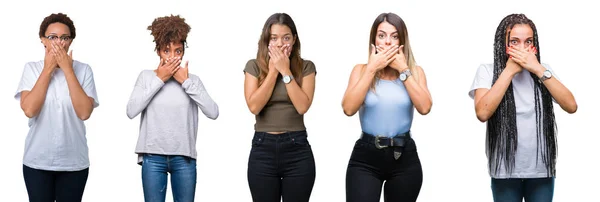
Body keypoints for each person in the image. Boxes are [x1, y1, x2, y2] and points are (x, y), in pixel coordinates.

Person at [469, 13, 577, 202]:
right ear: (502, 44)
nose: (523, 48)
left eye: (528, 41)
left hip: (541, 169)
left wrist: (538, 69)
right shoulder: (487, 70)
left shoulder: (544, 70)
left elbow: (571, 105)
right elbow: (483, 112)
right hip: (505, 170)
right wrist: (509, 71)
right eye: (515, 42)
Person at [126, 14, 219, 202]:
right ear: (158, 52)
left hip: (184, 158)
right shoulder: (146, 77)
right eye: (166, 51)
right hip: (153, 158)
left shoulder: (192, 81)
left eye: (177, 51)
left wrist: (186, 82)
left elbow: (213, 112)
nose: (172, 57)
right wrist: (160, 78)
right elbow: (131, 110)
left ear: (183, 52)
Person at [341, 12, 432, 202]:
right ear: (374, 40)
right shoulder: (360, 70)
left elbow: (425, 107)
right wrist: (372, 69)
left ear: (402, 41)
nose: (388, 42)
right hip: (366, 157)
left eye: (394, 36)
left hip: (404, 156)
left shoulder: (415, 72)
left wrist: (403, 70)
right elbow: (348, 108)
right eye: (382, 35)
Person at [15, 13, 99, 202]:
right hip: (37, 162)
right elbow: (29, 110)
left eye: (64, 37)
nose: (58, 42)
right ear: (43, 40)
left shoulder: (84, 70)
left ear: (70, 42)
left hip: (74, 163)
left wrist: (67, 69)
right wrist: (48, 69)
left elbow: (85, 112)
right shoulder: (32, 69)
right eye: (52, 37)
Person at [243, 13, 317, 202]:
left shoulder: (306, 67)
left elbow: (302, 106)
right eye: (274, 38)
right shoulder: (254, 66)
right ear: (266, 41)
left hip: (297, 149)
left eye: (286, 38)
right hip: (263, 148)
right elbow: (254, 106)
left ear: (294, 40)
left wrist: (285, 71)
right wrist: (273, 70)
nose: (280, 44)